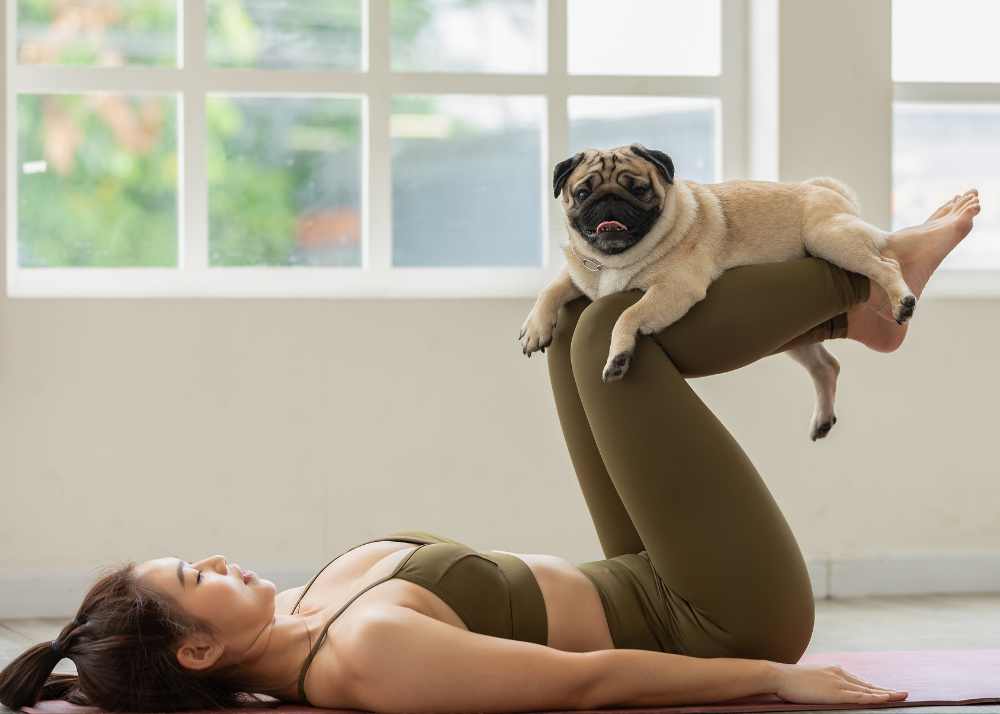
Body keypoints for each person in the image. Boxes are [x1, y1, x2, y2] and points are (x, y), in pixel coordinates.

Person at [0, 191, 980, 713]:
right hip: (719, 619)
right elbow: (587, 685)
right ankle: (863, 285)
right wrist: (773, 677)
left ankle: (856, 311)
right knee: (611, 345)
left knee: (582, 327)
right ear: (198, 649)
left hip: (647, 572)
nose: (213, 558)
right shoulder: (363, 660)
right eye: (193, 577)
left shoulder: (302, 612)